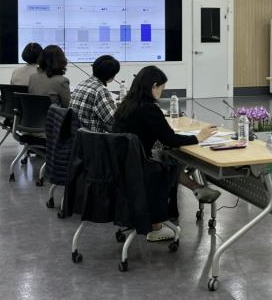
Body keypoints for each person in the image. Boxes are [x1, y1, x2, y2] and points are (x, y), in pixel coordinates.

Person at [113, 65, 218, 241]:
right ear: (154, 86)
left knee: (164, 157)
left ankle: (197, 188)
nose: (162, 93)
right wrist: (198, 137)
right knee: (168, 162)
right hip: (138, 169)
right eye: (162, 88)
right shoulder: (149, 108)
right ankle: (156, 228)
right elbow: (171, 140)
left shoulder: (125, 105)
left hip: (121, 166)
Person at [70, 55, 120, 132]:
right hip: (92, 137)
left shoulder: (82, 83)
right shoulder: (100, 90)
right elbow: (113, 121)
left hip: (77, 135)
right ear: (111, 75)